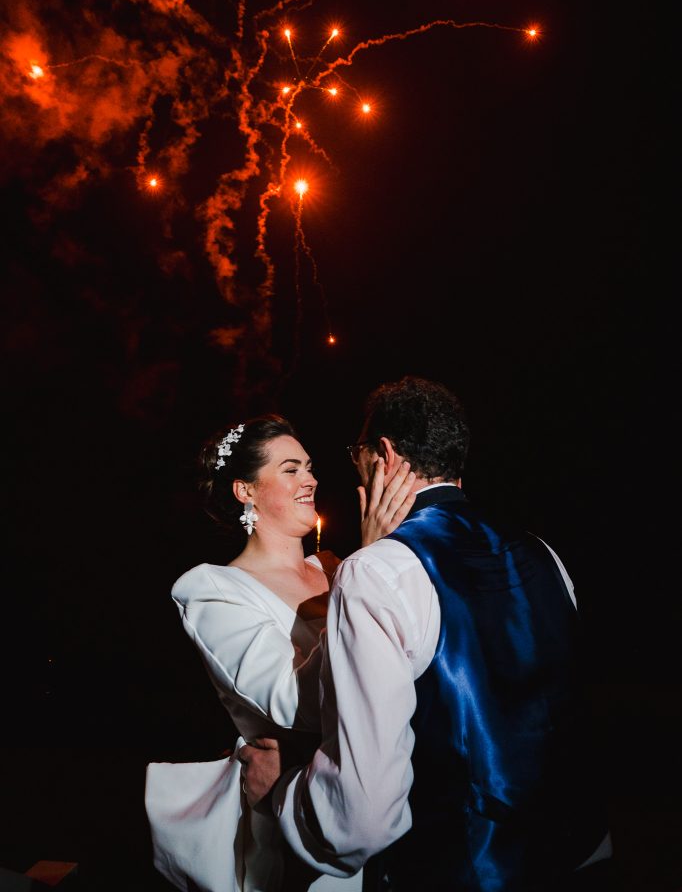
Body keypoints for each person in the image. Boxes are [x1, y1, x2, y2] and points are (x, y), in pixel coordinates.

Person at [243, 378, 612, 891]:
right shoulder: (543, 553)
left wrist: (283, 795)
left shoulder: (375, 573)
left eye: (358, 453)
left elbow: (364, 812)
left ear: (385, 456)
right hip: (579, 856)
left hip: (459, 871)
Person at [145, 414, 416, 892]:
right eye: (290, 469)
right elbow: (294, 702)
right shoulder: (213, 590)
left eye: (309, 467)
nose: (310, 479)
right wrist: (370, 563)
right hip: (301, 823)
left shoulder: (337, 568)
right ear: (245, 490)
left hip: (392, 799)